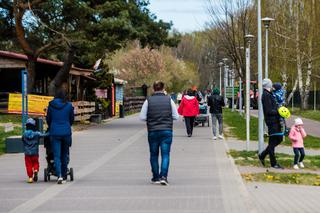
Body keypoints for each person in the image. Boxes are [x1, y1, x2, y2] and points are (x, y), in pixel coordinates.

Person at [139, 81, 179, 185]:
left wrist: (152, 118)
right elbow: (176, 116)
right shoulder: (169, 100)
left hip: (153, 131)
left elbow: (142, 117)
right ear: (163, 88)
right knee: (165, 154)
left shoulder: (148, 101)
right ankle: (164, 177)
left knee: (154, 154)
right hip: (166, 131)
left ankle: (156, 177)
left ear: (153, 89)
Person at [46, 88, 74, 184]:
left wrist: (52, 126)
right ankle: (65, 175)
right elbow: (71, 119)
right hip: (66, 132)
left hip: (54, 132)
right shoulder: (69, 105)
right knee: (65, 154)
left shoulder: (51, 105)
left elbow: (48, 119)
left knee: (56, 155)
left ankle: (59, 176)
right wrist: (66, 125)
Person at [258, 78, 284, 169]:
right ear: (269, 85)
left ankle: (262, 155)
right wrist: (279, 111)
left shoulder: (269, 94)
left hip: (275, 120)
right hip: (271, 121)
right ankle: (273, 163)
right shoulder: (266, 95)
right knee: (272, 142)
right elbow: (269, 111)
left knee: (279, 138)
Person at [22, 118, 47, 183]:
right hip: (35, 153)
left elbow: (23, 140)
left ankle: (30, 177)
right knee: (36, 163)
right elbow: (44, 135)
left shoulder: (24, 134)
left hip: (27, 153)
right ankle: (36, 170)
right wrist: (49, 133)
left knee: (28, 165)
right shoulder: (37, 134)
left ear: (27, 126)